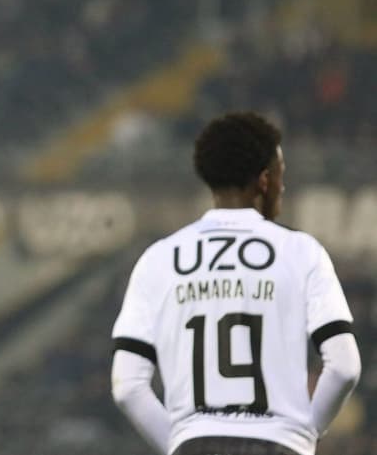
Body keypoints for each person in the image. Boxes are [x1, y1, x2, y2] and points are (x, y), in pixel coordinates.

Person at [110, 111, 361, 455]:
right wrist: (304, 435)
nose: (282, 186)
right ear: (263, 180)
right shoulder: (300, 252)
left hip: (194, 442)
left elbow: (128, 387)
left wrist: (178, 442)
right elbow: (345, 367)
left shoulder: (158, 259)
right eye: (280, 175)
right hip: (278, 442)